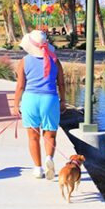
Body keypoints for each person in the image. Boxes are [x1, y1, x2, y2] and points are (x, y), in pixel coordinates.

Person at [12, 30, 66, 179]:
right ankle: (49, 158)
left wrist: (16, 104)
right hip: (50, 99)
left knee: (33, 136)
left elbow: (20, 86)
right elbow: (61, 83)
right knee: (50, 134)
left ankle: (38, 168)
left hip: (30, 99)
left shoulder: (24, 61)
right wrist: (63, 101)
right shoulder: (55, 60)